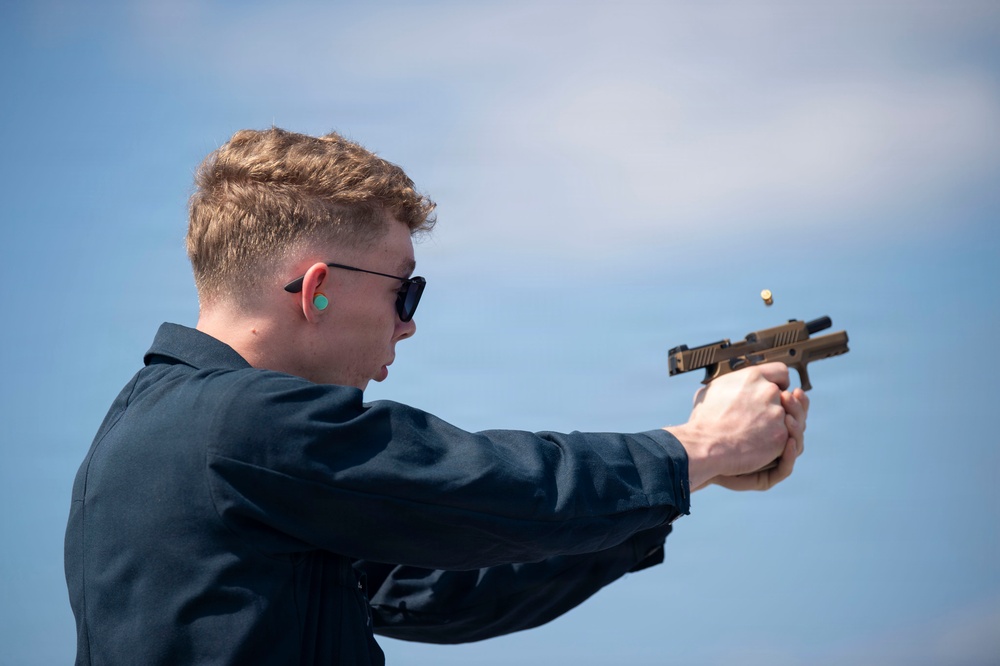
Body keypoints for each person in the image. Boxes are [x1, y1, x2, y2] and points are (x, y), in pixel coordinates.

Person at [64, 127, 809, 665]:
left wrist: (688, 477)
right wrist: (700, 447)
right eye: (404, 291)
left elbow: (435, 590)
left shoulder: (171, 432)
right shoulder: (242, 425)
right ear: (317, 291)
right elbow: (490, 487)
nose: (407, 325)